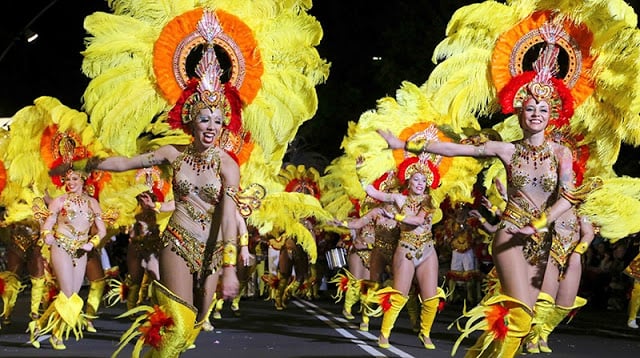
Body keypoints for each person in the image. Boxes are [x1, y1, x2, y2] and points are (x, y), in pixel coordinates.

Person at [378, 23, 589, 357]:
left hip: (539, 237)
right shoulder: (506, 150)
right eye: (529, 108)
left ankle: (478, 354)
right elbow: (457, 149)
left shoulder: (562, 153)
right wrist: (404, 144)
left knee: (525, 319)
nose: (535, 114)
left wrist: (539, 224)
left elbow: (567, 196)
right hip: (510, 233)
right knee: (518, 311)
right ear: (519, 113)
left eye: (542, 109)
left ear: (552, 115)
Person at [70, 12, 245, 356]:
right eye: (204, 119)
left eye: (218, 120)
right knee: (177, 322)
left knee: (190, 329)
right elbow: (125, 163)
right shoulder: (170, 153)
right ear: (191, 121)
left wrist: (229, 268)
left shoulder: (228, 165)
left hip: (211, 252)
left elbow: (228, 215)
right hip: (177, 241)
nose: (211, 126)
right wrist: (84, 163)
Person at [364, 156, 445, 350]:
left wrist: (397, 216)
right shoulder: (399, 198)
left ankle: (425, 333)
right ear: (408, 180)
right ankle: (384, 333)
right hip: (405, 249)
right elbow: (373, 192)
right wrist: (362, 172)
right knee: (399, 295)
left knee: (431, 298)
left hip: (426, 250)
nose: (419, 184)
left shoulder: (429, 200)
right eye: (416, 179)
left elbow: (417, 220)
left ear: (428, 183)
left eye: (423, 180)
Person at [30, 169, 107, 350]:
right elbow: (47, 225)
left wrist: (92, 243)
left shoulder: (92, 203)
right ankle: (57, 336)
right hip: (61, 246)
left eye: (74, 178)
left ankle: (39, 325)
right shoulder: (59, 201)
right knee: (66, 291)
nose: (70, 182)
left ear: (83, 180)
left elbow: (101, 230)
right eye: (67, 179)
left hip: (81, 250)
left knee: (71, 296)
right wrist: (47, 234)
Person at [523, 209, 594, 353]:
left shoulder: (582, 206)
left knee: (565, 304)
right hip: (549, 253)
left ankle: (544, 333)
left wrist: (578, 252)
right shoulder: (550, 203)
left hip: (572, 255)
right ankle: (532, 336)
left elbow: (589, 233)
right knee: (546, 300)